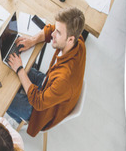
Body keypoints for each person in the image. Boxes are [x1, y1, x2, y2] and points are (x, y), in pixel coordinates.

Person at [6, 7, 86, 137]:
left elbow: (38, 102)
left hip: (42, 112)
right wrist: (32, 41)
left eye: (58, 33)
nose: (53, 34)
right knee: (13, 66)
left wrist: (20, 70)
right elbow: (50, 29)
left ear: (70, 39)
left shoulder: (64, 79)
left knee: (6, 99)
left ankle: (17, 121)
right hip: (48, 83)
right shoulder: (78, 38)